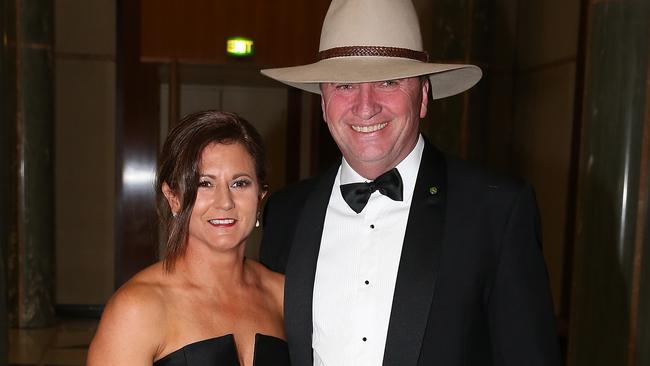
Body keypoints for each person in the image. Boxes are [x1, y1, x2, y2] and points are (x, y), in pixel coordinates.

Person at [258, 0, 562, 365]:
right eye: (345, 86)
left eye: (388, 81)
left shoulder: (496, 211)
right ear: (323, 104)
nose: (366, 106)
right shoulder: (286, 213)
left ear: (423, 97)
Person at [87, 111, 290, 366]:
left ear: (260, 195)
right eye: (204, 183)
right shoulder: (137, 309)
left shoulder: (283, 295)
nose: (225, 202)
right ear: (173, 198)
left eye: (240, 183)